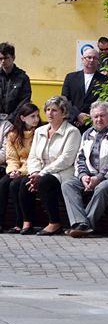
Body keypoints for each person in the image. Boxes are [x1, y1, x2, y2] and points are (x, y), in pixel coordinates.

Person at [61, 101, 108, 237]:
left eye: (102, 116)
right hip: (90, 175)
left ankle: (85, 225)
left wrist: (98, 178)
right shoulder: (87, 134)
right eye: (95, 116)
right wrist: (83, 176)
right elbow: (80, 157)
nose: (99, 119)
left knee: (102, 188)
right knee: (68, 184)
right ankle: (81, 224)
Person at [20, 96, 82, 235]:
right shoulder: (40, 131)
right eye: (47, 109)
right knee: (23, 182)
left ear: (64, 113)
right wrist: (34, 172)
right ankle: (27, 222)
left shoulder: (72, 132)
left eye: (54, 110)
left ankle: (54, 223)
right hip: (41, 170)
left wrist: (42, 173)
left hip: (63, 172)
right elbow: (33, 156)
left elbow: (66, 159)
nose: (49, 113)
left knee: (45, 181)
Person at [0, 103, 39, 232]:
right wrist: (13, 170)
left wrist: (21, 172)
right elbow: (11, 157)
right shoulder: (13, 134)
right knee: (3, 183)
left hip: (33, 168)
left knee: (16, 184)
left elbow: (35, 157)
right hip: (17, 168)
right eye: (32, 116)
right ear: (23, 118)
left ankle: (21, 222)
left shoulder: (39, 133)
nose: (36, 119)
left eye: (37, 116)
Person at [61, 45, 108, 129]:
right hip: (72, 122)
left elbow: (104, 101)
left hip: (94, 123)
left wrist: (88, 117)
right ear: (82, 59)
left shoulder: (105, 80)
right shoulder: (70, 77)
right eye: (89, 57)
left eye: (95, 58)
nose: (91, 60)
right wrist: (77, 114)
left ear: (98, 61)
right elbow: (65, 99)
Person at [0, 42, 32, 121]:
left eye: (6, 58)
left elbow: (24, 101)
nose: (3, 61)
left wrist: (11, 118)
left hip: (14, 120)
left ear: (13, 58)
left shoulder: (22, 78)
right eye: (0, 58)